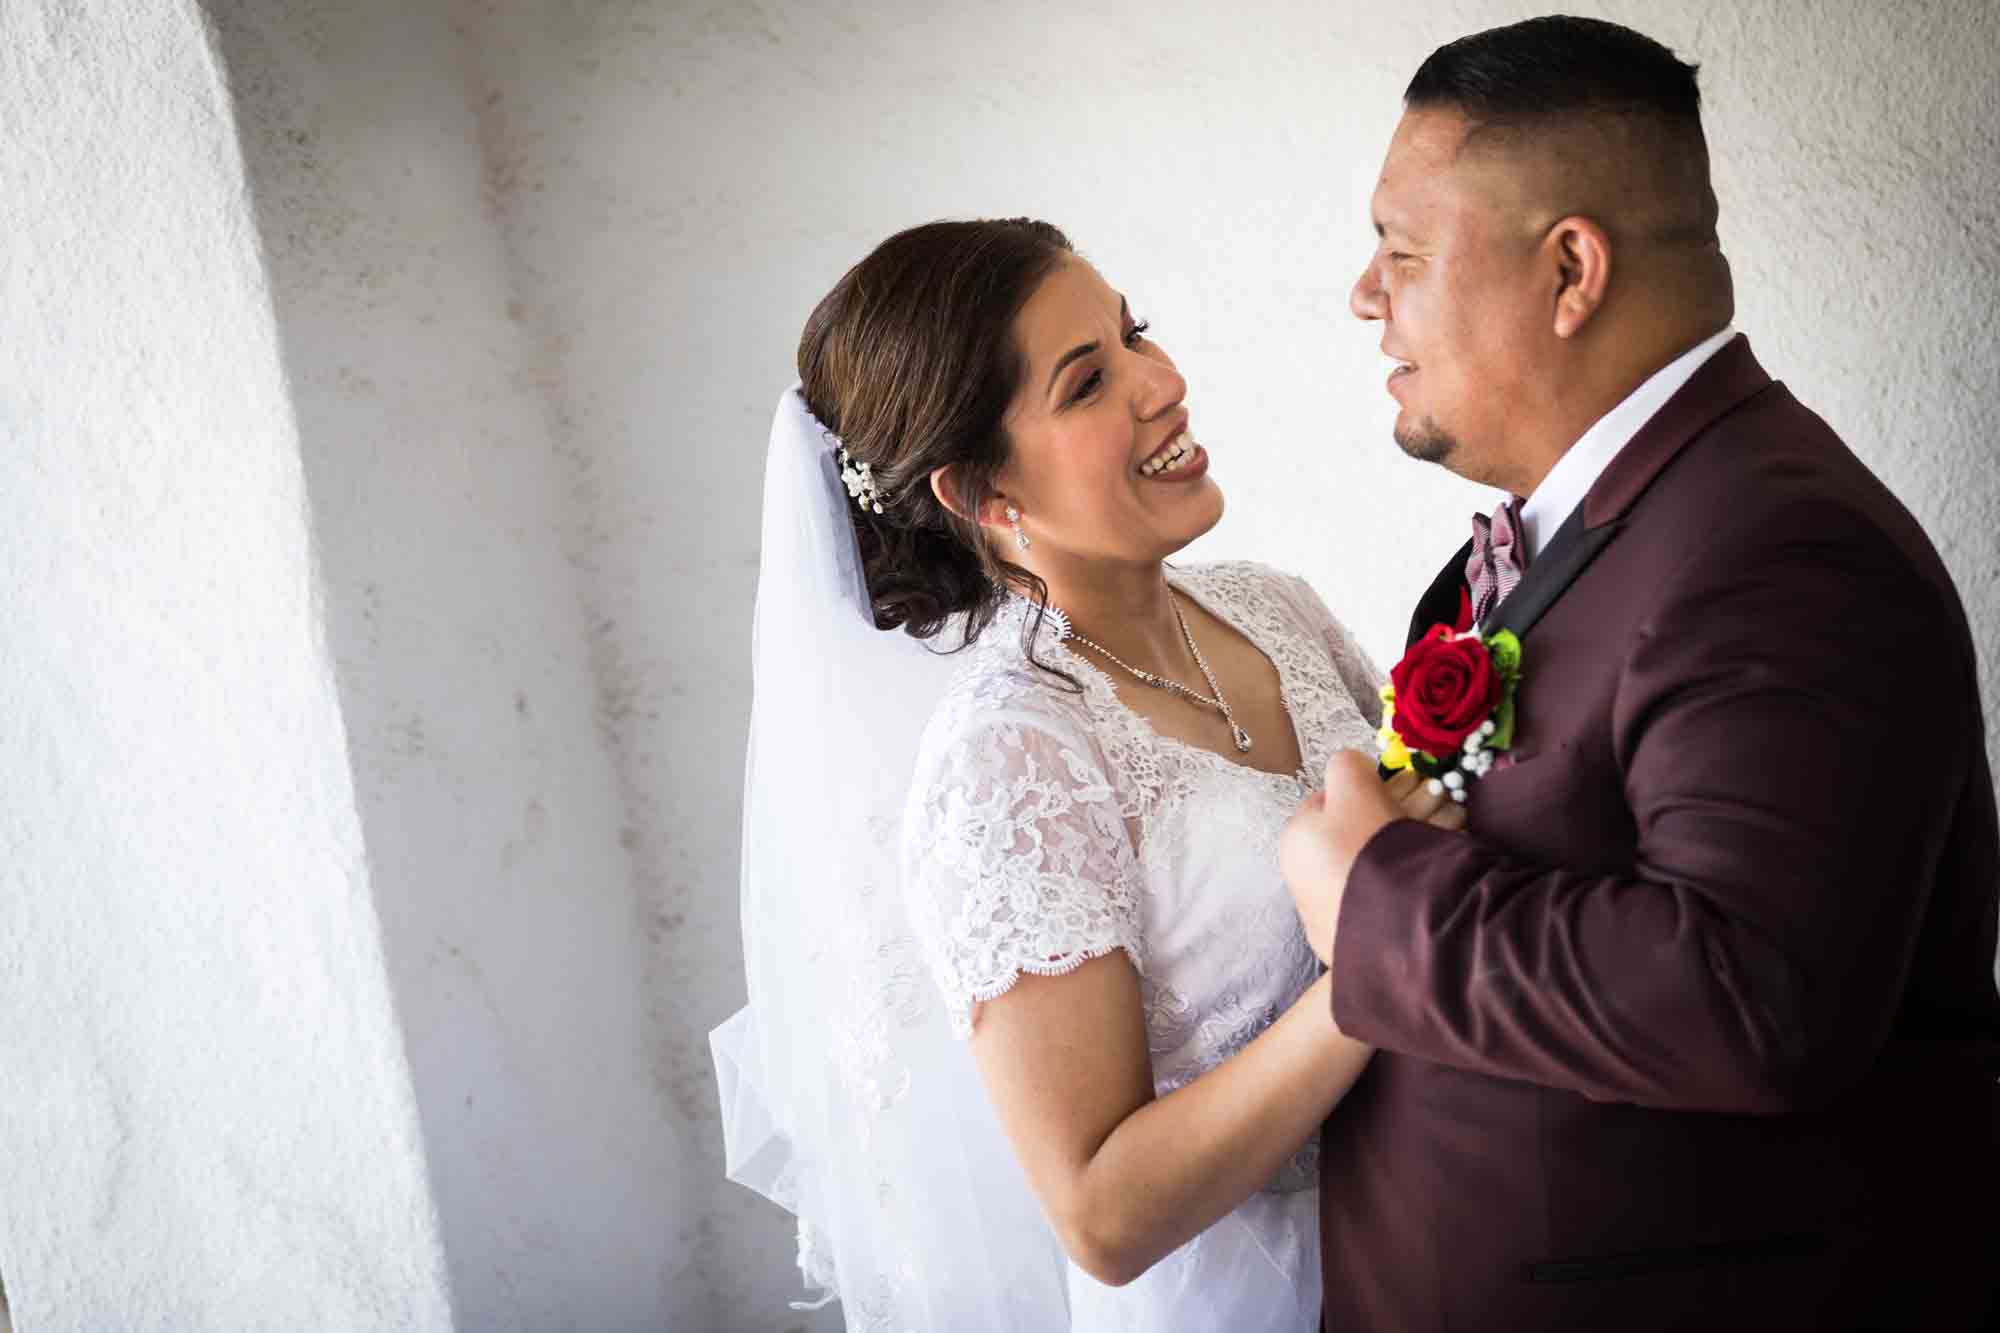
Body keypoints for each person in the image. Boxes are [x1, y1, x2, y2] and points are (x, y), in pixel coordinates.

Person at [1280, 16, 2000, 1331]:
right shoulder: (1615, 519)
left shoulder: (1784, 552)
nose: (1364, 296)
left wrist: (1372, 897)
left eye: (1402, 251)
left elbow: (1751, 992)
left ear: (1571, 270)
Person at [711, 218, 1454, 1330]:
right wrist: (1370, 964)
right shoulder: (1009, 757)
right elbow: (1101, 1215)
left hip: (1430, 1230)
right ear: (983, 494)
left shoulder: (1272, 606)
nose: (1162, 384)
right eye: (1087, 381)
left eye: (1135, 334)